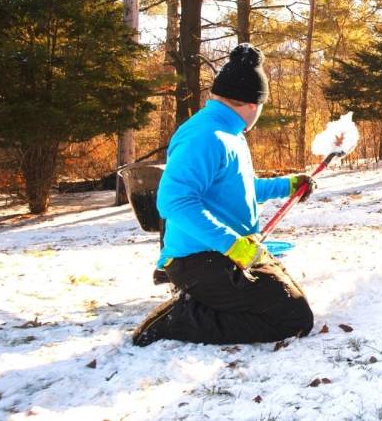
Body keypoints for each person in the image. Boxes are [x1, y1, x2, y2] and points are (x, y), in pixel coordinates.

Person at [132, 44, 316, 346]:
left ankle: (206, 303)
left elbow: (241, 191)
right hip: (200, 259)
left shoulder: (227, 132)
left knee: (292, 299)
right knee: (293, 318)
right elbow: (173, 201)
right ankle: (181, 319)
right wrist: (231, 245)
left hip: (225, 252)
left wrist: (288, 185)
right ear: (253, 104)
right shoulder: (207, 136)